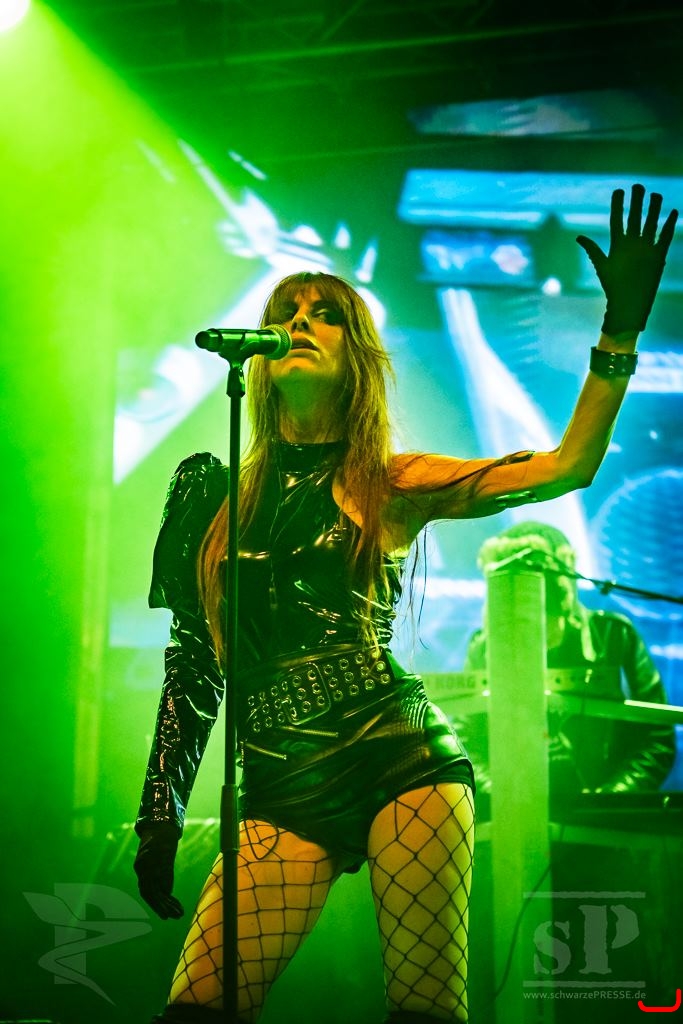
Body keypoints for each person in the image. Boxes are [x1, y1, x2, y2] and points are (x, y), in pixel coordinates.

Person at [132, 183, 677, 1024]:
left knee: (424, 1012)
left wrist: (619, 333)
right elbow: (193, 661)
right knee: (195, 1010)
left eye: (326, 316)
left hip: (400, 761)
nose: (301, 322)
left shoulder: (388, 482)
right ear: (259, 355)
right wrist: (160, 816)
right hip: (279, 777)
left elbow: (565, 467)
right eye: (287, 312)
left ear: (356, 357)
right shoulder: (209, 492)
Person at [460, 520, 677, 813]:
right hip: (511, 820)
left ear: (565, 596)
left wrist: (604, 802)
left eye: (544, 624)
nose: (536, 639)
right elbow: (466, 740)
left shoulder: (615, 636)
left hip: (602, 823)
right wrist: (506, 799)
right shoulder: (484, 646)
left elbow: (658, 738)